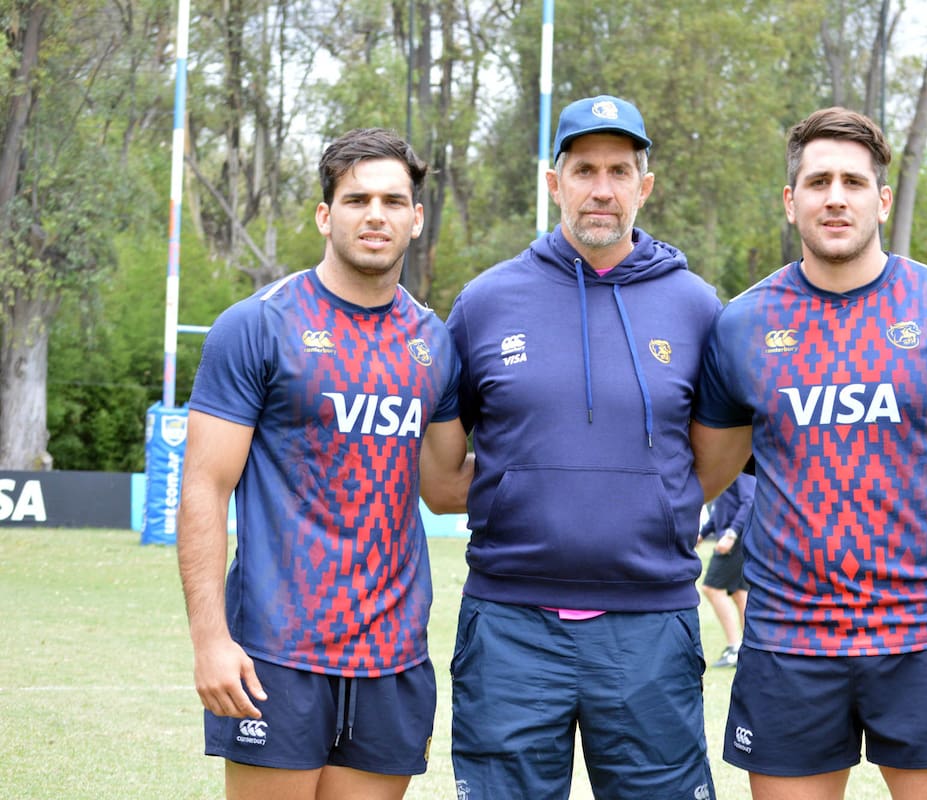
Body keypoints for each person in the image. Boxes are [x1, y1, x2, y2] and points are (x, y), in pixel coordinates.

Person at [689, 107, 927, 800]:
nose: (835, 197)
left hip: (924, 639)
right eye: (818, 181)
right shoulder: (742, 326)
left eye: (853, 182)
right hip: (788, 643)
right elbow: (702, 476)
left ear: (881, 200)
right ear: (790, 201)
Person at [421, 95, 723, 799]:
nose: (602, 189)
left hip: (650, 624)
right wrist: (532, 486)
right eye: (584, 170)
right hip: (511, 627)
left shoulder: (696, 306)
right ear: (554, 182)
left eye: (620, 171)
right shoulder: (486, 303)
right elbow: (440, 478)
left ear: (645, 186)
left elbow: (710, 461)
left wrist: (643, 494)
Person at [176, 128, 469, 800]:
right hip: (276, 650)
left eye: (393, 201)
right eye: (356, 199)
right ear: (324, 214)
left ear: (416, 218)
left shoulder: (434, 343)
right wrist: (209, 640)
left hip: (393, 655)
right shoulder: (257, 325)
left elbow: (446, 487)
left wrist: (576, 464)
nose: (375, 215)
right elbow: (204, 488)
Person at [698, 472, 755, 668]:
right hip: (734, 538)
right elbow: (720, 510)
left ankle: (734, 648)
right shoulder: (726, 468)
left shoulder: (741, 469)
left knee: (711, 589)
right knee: (740, 594)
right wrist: (703, 533)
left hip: (735, 541)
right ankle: (749, 648)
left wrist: (731, 534)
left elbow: (749, 501)